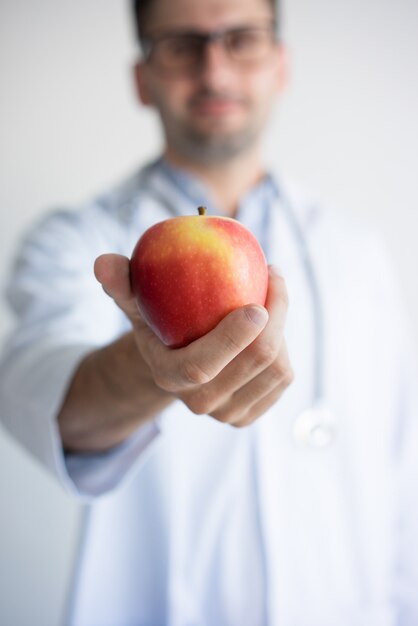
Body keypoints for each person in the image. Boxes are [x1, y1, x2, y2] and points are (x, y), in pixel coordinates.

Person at [1, 0, 417, 623]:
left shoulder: (358, 249)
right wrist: (152, 369)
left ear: (281, 64)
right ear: (142, 79)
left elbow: (399, 467)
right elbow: (49, 404)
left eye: (242, 40)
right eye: (181, 45)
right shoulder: (74, 241)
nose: (215, 71)